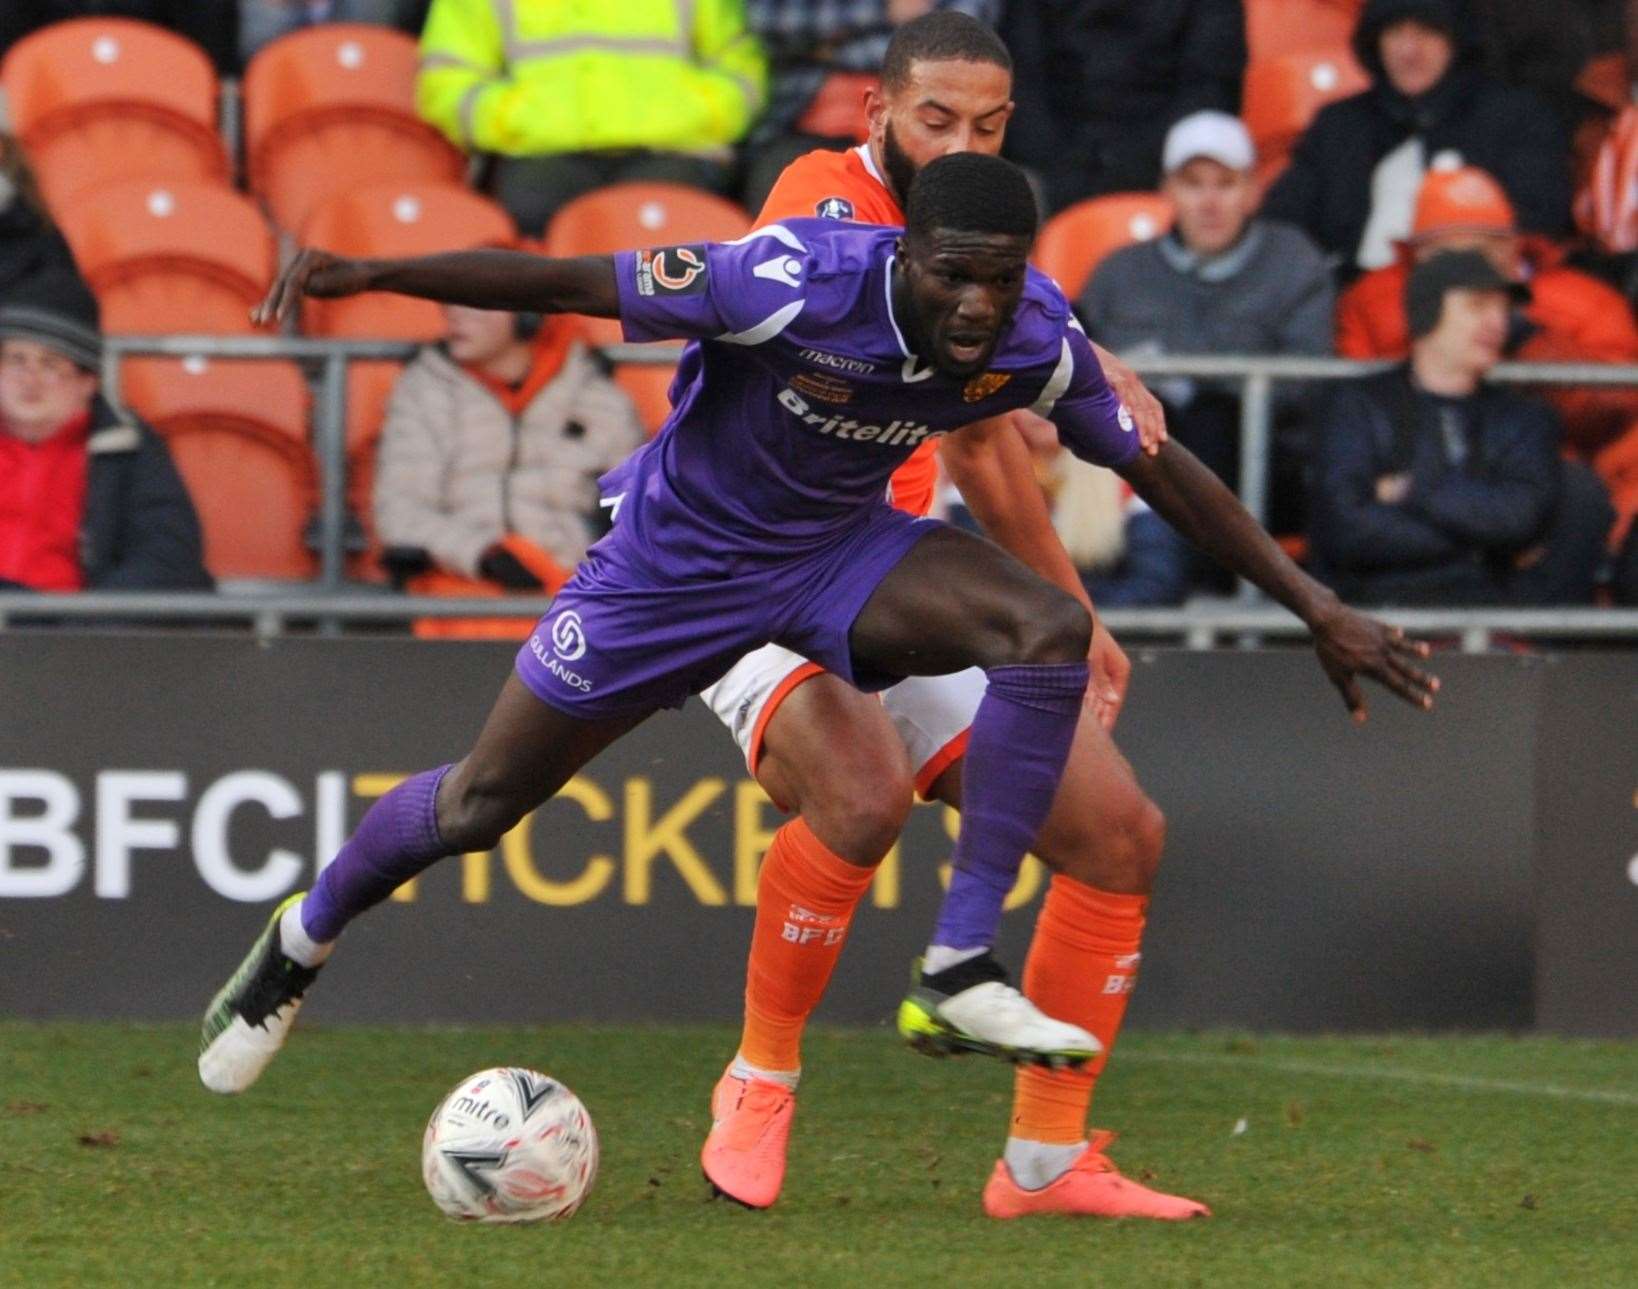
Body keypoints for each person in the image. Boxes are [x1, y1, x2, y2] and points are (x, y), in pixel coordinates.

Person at [198, 154, 1436, 1216]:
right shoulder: (789, 277)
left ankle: (959, 956)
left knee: (1045, 623)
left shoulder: (1031, 335)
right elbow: (566, 284)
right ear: (907, 249)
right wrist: (370, 277)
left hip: (839, 559)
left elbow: (1169, 475)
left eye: (1000, 277)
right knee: (480, 805)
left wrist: (1317, 607)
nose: (976, 303)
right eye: (954, 271)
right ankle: (301, 938)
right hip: (671, 573)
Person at [700, 12, 1204, 1219]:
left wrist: (1073, 614)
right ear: (877, 114)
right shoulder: (818, 201)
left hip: (896, 575)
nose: (956, 141)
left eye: (984, 125)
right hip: (746, 563)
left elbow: (982, 441)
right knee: (861, 794)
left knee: (1118, 831)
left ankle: (1046, 1157)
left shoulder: (974, 235)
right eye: (934, 118)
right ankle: (760, 1078)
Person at [1310, 250, 1614, 604]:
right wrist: (1480, 547)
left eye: (1503, 309)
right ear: (1428, 309)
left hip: (1489, 619)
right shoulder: (1356, 403)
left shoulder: (1526, 416)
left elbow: (1518, 518)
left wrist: (1410, 489)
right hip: (1374, 612)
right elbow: (1346, 529)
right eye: (1478, 305)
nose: (1497, 323)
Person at [1081, 110, 1334, 536]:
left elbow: (1307, 381)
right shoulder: (1118, 273)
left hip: (1266, 461)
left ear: (1253, 191)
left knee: (1211, 419)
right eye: (1193, 183)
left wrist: (1199, 387)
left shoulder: (1295, 262)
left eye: (1226, 183)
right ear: (1168, 190)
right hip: (1140, 457)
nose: (1210, 202)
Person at [372, 301, 644, 633]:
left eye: (477, 304)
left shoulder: (602, 400)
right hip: (453, 595)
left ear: (528, 317)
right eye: (450, 303)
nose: (454, 314)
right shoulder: (422, 390)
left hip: (574, 599)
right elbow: (400, 513)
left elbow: (634, 522)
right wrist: (484, 555)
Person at [1261, 0, 1573, 276]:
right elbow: (1283, 226)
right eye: (1395, 32)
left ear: (1457, 40)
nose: (1409, 50)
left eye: (1427, 31)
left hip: (1475, 300)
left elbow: (1538, 219)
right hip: (1353, 306)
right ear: (1375, 41)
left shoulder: (1515, 119)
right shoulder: (1340, 126)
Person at [414, 0, 767, 237]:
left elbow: (743, 70)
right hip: (541, 156)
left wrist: (693, 120)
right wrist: (518, 123)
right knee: (525, 223)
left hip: (675, 153)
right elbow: (446, 82)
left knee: (677, 236)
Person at [0, 270, 212, 594]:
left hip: (77, 635)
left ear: (87, 383)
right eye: (16, 360)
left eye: (52, 364)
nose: (31, 379)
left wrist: (80, 624)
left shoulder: (127, 448)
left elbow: (168, 558)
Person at [739, 0, 998, 215]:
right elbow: (770, 20)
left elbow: (963, 38)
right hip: (805, 129)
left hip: (922, 135)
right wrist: (884, 9)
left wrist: (830, 46)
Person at [999, 0, 1246, 214]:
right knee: (1008, 197)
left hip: (1164, 163)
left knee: (1204, 183)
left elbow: (1210, 88)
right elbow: (1019, 80)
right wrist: (1063, 167)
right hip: (1055, 161)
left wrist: (1135, 166)